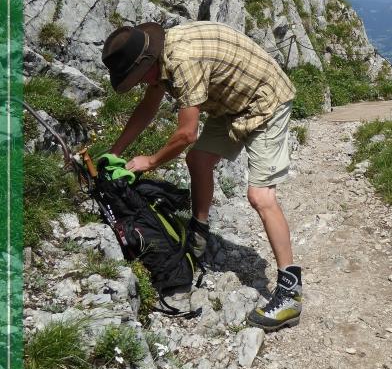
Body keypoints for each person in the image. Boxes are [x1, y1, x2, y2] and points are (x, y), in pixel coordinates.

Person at [101, 20, 302, 331]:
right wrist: (114, 153)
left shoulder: (182, 61)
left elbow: (186, 134)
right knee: (198, 161)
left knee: (260, 196)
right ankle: (199, 230)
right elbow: (147, 108)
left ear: (147, 64)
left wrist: (150, 161)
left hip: (266, 101)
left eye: (139, 78)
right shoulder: (159, 58)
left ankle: (290, 293)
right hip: (231, 104)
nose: (141, 84)